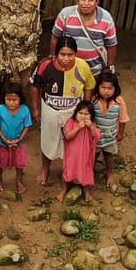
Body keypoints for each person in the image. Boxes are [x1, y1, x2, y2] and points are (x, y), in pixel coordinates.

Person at [29, 35, 95, 187]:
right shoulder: (45, 65)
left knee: (72, 140)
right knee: (48, 139)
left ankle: (70, 170)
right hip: (50, 108)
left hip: (73, 109)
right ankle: (45, 168)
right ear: (56, 53)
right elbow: (35, 87)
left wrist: (85, 109)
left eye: (70, 55)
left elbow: (89, 86)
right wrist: (36, 109)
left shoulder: (83, 66)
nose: (66, 59)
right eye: (62, 54)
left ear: (76, 53)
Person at [50, 0, 118, 78]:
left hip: (95, 71)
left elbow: (111, 46)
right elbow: (55, 37)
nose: (86, 3)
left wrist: (110, 67)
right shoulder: (66, 14)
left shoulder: (106, 18)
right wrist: (53, 57)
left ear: (97, 2)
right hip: (68, 68)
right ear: (77, 0)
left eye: (91, 0)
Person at [58, 99, 101, 203]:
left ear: (91, 116)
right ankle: (64, 190)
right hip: (72, 155)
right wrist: (77, 128)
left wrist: (91, 127)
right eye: (80, 113)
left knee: (85, 170)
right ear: (76, 113)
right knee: (68, 170)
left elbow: (97, 136)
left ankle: (86, 191)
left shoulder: (92, 125)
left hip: (85, 155)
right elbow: (67, 136)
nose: (83, 116)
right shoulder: (71, 122)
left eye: (86, 114)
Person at [92, 70, 129, 189]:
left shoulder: (119, 101)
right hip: (95, 137)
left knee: (109, 155)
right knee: (93, 155)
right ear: (98, 87)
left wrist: (120, 133)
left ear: (115, 89)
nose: (106, 91)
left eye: (109, 88)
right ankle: (90, 173)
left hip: (110, 136)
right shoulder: (94, 100)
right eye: (103, 87)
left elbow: (123, 119)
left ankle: (110, 173)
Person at [0, 86, 33, 195]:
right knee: (0, 163)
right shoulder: (0, 109)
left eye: (14, 100)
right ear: (4, 98)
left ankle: (19, 180)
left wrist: (19, 139)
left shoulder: (25, 110)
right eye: (8, 99)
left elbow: (27, 126)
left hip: (19, 144)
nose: (11, 102)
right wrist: (5, 140)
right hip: (2, 143)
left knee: (19, 164)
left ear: (20, 99)